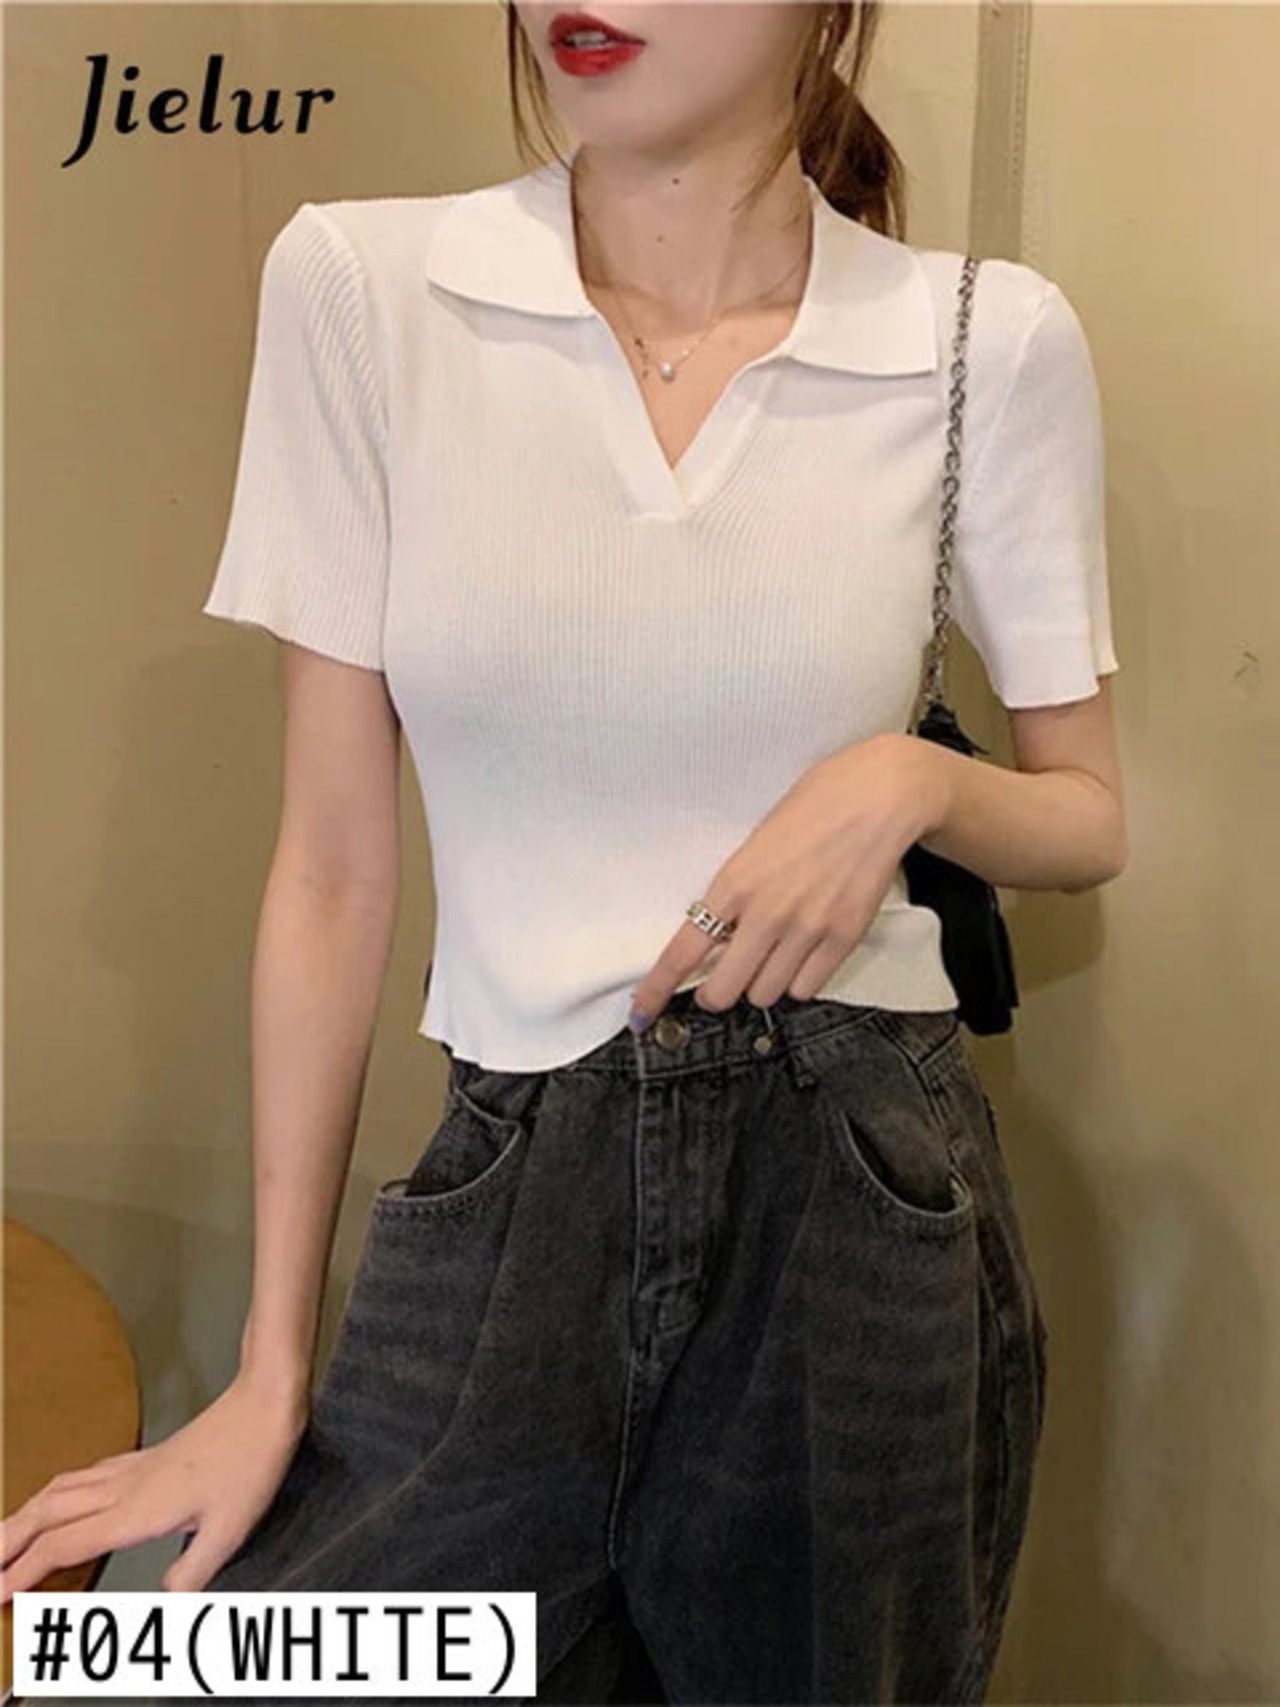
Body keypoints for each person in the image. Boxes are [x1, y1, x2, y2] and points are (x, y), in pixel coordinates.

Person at [0, 2, 1127, 1700]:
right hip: (514, 1176)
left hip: (854, 1202)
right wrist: (268, 1371)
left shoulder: (983, 339)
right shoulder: (368, 290)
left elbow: (1086, 812)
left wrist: (904, 782)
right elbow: (331, 870)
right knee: (184, 1671)